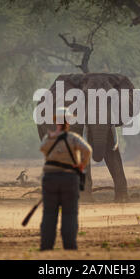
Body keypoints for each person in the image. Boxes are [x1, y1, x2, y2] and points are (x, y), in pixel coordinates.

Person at [39, 107, 92, 251]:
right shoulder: (73, 138)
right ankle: (70, 247)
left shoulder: (48, 138)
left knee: (49, 213)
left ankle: (46, 247)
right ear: (68, 122)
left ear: (55, 121)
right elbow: (87, 150)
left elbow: (43, 149)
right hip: (69, 179)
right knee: (70, 213)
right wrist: (81, 165)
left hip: (50, 178)